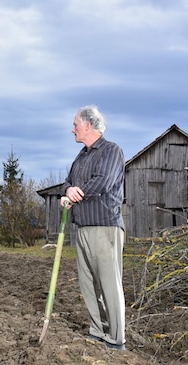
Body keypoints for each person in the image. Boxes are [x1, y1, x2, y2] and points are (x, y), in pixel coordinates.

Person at [60, 105, 126, 350]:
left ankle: (116, 338)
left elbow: (103, 182)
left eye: (75, 125)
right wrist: (68, 190)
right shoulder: (82, 156)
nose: (72, 129)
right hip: (83, 227)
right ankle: (98, 330)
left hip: (105, 226)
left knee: (109, 283)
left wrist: (76, 194)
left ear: (87, 125)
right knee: (88, 284)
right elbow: (69, 181)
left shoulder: (111, 151)